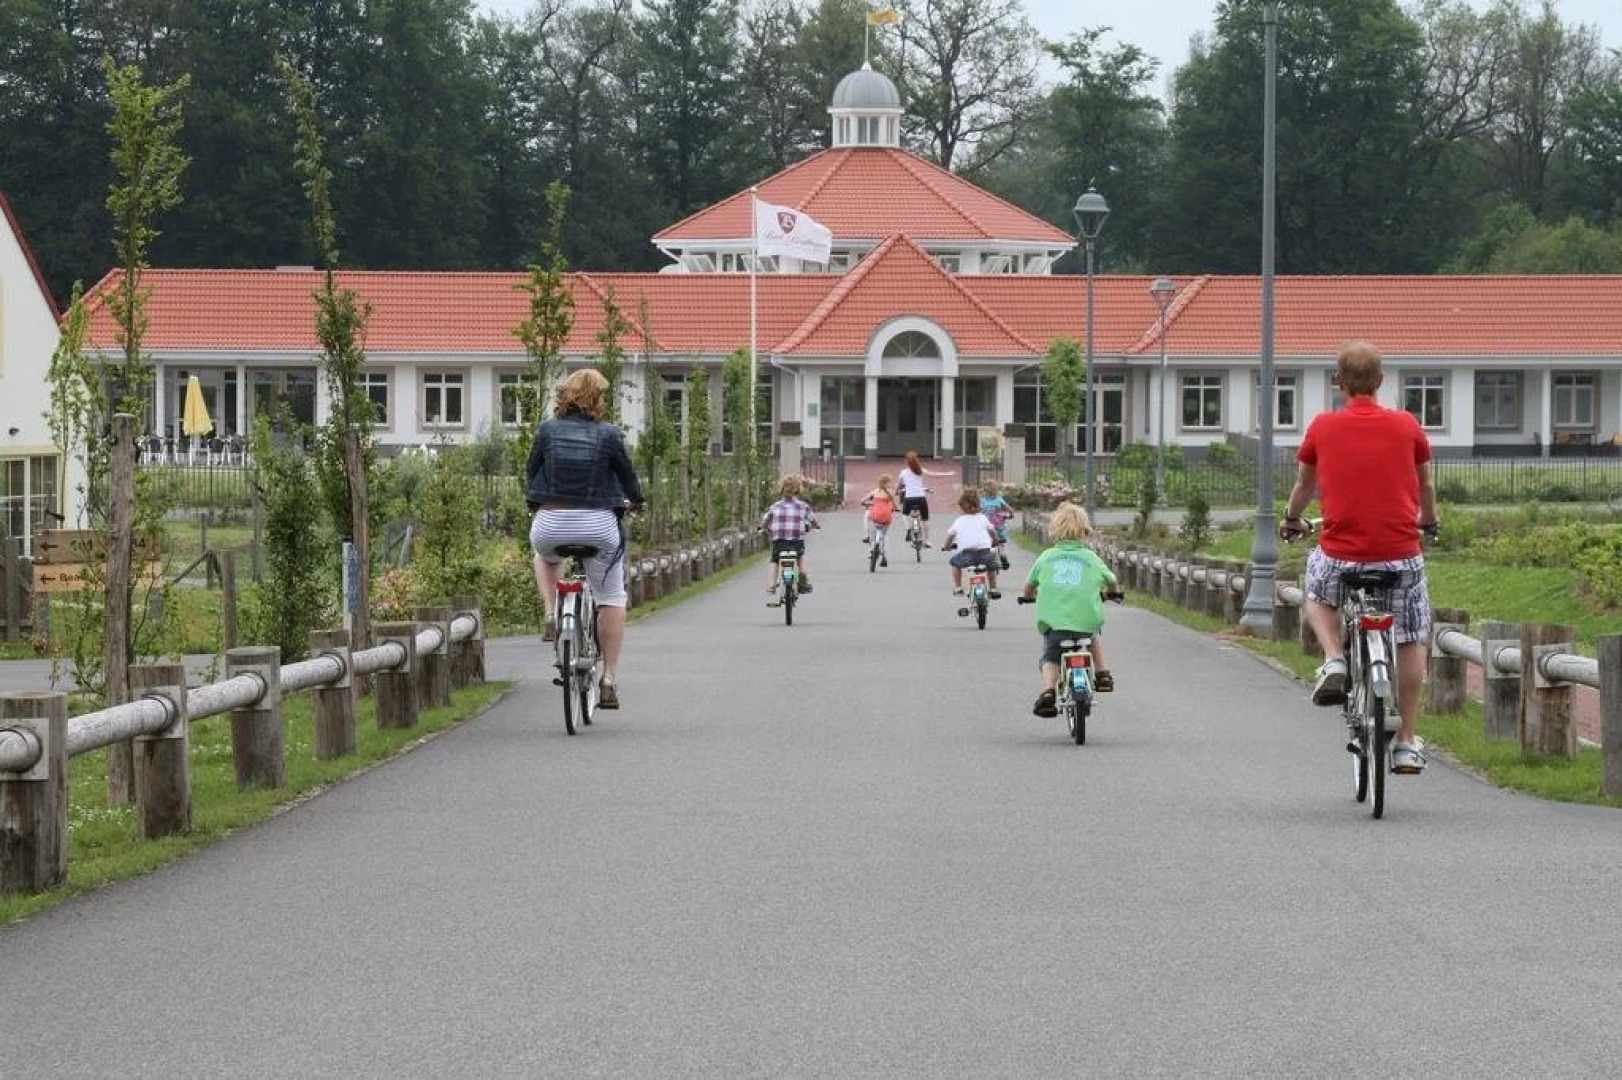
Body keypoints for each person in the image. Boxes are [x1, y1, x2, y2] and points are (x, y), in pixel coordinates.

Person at [1280, 340, 1439, 775]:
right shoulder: (1407, 425)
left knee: (1314, 587)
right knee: (1410, 637)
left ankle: (1333, 656)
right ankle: (1406, 741)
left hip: (1341, 556)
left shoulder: (1322, 427)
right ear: (1381, 381)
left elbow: (1304, 488)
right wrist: (1429, 521)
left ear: (1339, 382)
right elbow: (1425, 487)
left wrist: (1292, 518)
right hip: (1400, 557)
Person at [525, 368, 643, 710]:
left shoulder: (546, 430)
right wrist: (636, 500)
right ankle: (608, 679)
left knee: (545, 556)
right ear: (596, 399)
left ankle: (550, 612)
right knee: (611, 597)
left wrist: (535, 501)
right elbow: (627, 476)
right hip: (598, 525)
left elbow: (532, 471)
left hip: (550, 523)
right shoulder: (609, 434)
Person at [1023, 501, 1116, 717]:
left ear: (1054, 530)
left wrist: (1028, 596)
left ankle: (1048, 692)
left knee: (1050, 656)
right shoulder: (1091, 558)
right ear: (1084, 530)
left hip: (1055, 625)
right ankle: (1102, 674)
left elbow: (1028, 587)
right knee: (1093, 634)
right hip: (1085, 623)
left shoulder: (1046, 557)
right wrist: (1111, 591)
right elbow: (1111, 579)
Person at [762, 475, 820, 605]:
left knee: (775, 561)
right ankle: (803, 574)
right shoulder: (803, 506)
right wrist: (816, 526)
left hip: (779, 540)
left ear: (781, 489)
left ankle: (771, 585)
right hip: (796, 540)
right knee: (800, 557)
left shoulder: (775, 506)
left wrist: (764, 528)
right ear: (798, 489)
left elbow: (766, 520)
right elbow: (813, 519)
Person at [943, 489, 1001, 597]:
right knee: (991, 566)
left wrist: (946, 547)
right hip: (985, 553)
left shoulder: (959, 520)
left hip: (967, 555)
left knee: (955, 564)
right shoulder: (983, 518)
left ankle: (958, 587)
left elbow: (950, 536)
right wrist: (995, 541)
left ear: (961, 507)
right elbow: (992, 532)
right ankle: (993, 588)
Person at [895, 449, 954, 547]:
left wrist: (896, 491)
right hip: (921, 498)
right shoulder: (920, 470)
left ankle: (909, 528)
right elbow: (934, 475)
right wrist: (948, 474)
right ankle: (927, 541)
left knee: (904, 514)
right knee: (925, 519)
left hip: (909, 498)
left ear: (907, 462)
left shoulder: (904, 472)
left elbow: (899, 485)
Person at [860, 474, 902, 559]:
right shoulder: (890, 492)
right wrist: (897, 509)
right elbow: (894, 505)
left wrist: (867, 503)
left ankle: (871, 548)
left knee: (872, 530)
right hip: (886, 516)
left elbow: (863, 500)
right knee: (884, 534)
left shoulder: (875, 491)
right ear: (887, 483)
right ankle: (884, 555)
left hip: (875, 515)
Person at [980, 479, 1013, 570]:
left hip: (986, 529)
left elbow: (978, 512)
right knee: (1001, 544)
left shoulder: (981, 501)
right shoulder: (999, 499)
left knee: (986, 544)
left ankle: (986, 559)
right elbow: (1010, 510)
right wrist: (1010, 516)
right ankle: (1002, 555)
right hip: (999, 527)